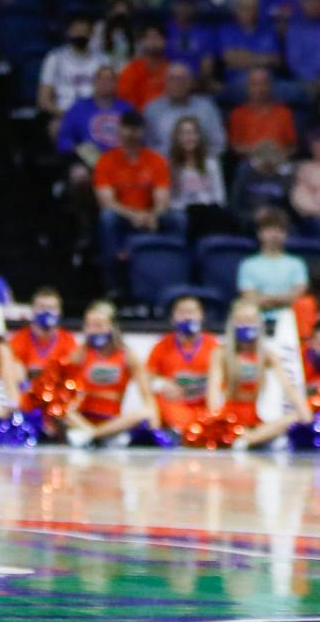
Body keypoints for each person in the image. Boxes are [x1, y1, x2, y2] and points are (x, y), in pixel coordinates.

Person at [93, 110, 171, 292]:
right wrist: (134, 215)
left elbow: (162, 198)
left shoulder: (156, 160)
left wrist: (153, 214)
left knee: (178, 219)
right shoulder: (106, 161)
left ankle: (174, 269)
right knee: (107, 218)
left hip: (150, 215)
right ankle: (114, 280)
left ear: (143, 131)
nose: (131, 134)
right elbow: (106, 202)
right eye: (126, 128)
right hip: (122, 215)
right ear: (119, 130)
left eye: (135, 129)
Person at [62, 302, 155, 445]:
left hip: (112, 420)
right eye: (90, 326)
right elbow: (61, 393)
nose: (94, 331)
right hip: (83, 418)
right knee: (56, 406)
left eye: (99, 325)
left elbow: (148, 400)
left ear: (112, 327)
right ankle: (94, 435)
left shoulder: (128, 356)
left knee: (145, 413)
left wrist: (154, 422)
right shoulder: (80, 354)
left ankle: (93, 436)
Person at [207, 297, 295, 448]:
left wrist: (305, 414)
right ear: (232, 324)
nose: (247, 325)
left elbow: (289, 388)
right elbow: (213, 391)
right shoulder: (220, 353)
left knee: (293, 418)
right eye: (242, 320)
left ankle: (247, 440)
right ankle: (249, 440)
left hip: (256, 416)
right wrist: (216, 420)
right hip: (229, 416)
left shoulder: (267, 355)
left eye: (251, 320)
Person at [147, 295, 216, 439]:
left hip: (202, 406)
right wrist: (161, 384)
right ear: (173, 318)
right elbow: (146, 378)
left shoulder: (213, 345)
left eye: (192, 312)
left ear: (201, 316)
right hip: (174, 406)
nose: (188, 317)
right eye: (182, 312)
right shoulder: (162, 346)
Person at [8, 290, 78, 413]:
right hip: (27, 399)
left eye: (51, 308)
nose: (46, 312)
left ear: (60, 311)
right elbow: (15, 374)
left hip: (57, 402)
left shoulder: (68, 340)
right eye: (41, 307)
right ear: (33, 310)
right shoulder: (19, 339)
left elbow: (71, 375)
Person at [237, 207, 308, 316]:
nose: (274, 235)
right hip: (257, 319)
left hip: (290, 319)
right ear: (260, 233)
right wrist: (282, 299)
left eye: (279, 230)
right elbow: (249, 297)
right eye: (269, 230)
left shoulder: (297, 263)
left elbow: (298, 295)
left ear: (286, 234)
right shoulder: (248, 264)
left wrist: (267, 299)